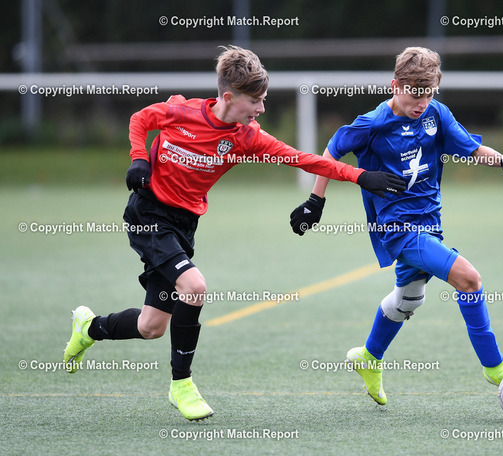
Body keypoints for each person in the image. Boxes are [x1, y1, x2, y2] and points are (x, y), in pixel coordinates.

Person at [63, 45, 405, 421]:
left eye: (264, 99)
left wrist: (360, 176)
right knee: (194, 287)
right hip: (148, 215)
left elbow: (303, 159)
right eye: (255, 101)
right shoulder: (182, 111)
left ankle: (89, 327)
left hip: (183, 226)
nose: (261, 108)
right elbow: (140, 119)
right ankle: (181, 384)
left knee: (151, 326)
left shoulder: (247, 138)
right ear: (229, 98)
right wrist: (138, 158)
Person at [289, 47, 503, 405]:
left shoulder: (437, 114)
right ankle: (495, 367)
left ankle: (369, 357)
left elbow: (470, 149)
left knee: (408, 300)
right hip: (397, 228)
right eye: (413, 95)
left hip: (430, 222)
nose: (421, 103)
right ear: (395, 86)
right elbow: (331, 152)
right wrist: (316, 201)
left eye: (428, 94)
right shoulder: (373, 123)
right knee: (469, 278)